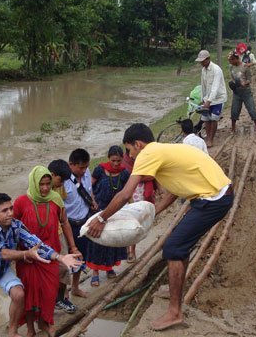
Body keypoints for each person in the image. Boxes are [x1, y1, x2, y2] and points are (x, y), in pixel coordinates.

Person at [86, 123, 234, 331]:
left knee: (173, 248)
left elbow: (125, 194)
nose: (131, 156)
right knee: (180, 245)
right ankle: (176, 294)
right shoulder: (164, 150)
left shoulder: (148, 154)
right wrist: (153, 212)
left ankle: (175, 312)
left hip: (212, 199)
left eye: (129, 150)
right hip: (218, 194)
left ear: (138, 145)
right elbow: (174, 189)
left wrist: (101, 219)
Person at [0, 193, 82, 337]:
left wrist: (60, 257)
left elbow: (36, 243)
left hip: (2, 269)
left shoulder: (16, 225)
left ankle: (12, 331)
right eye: (4, 211)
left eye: (11, 208)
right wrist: (25, 254)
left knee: (19, 294)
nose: (10, 213)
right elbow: (0, 253)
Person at [13, 166, 78, 336]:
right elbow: (13, 229)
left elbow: (65, 223)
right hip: (28, 257)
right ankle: (29, 328)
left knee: (49, 293)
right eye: (41, 184)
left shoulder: (56, 199)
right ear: (34, 183)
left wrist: (73, 246)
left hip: (50, 254)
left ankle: (45, 322)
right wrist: (16, 254)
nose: (45, 188)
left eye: (48, 184)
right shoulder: (21, 202)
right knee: (29, 293)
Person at [87, 146, 130, 286]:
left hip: (115, 212)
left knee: (112, 240)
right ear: (108, 158)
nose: (116, 164)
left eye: (118, 161)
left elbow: (127, 194)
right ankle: (95, 272)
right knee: (97, 240)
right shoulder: (100, 169)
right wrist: (92, 202)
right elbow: (89, 187)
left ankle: (109, 268)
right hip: (99, 210)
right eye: (113, 160)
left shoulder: (124, 174)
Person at [63, 148, 98, 298]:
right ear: (71, 164)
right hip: (67, 225)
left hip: (83, 223)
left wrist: (92, 201)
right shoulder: (62, 180)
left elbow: (89, 190)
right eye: (81, 167)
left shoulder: (86, 173)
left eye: (86, 167)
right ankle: (64, 293)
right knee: (65, 260)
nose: (84, 170)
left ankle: (75, 287)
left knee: (80, 256)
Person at [48, 159, 80, 314]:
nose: (62, 184)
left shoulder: (59, 191)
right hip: (42, 238)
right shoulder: (35, 194)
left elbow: (64, 219)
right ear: (53, 175)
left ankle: (59, 299)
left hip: (58, 233)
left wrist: (72, 245)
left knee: (64, 267)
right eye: (60, 180)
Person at [122, 148, 157, 263]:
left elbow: (152, 174)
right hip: (127, 193)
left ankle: (132, 250)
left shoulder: (145, 160)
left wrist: (138, 177)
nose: (132, 156)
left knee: (136, 222)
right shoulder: (125, 162)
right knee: (126, 222)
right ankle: (127, 249)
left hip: (140, 193)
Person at [195, 49, 227, 148]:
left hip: (218, 98)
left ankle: (211, 139)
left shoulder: (216, 69)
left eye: (203, 60)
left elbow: (215, 87)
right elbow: (203, 85)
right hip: (207, 98)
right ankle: (208, 136)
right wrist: (203, 98)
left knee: (214, 119)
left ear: (208, 59)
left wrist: (209, 101)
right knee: (206, 119)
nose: (201, 63)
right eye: (200, 61)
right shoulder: (203, 70)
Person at [227, 50, 256, 133]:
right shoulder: (231, 67)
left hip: (246, 91)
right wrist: (233, 84)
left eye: (231, 60)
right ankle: (233, 128)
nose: (230, 62)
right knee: (234, 111)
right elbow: (232, 77)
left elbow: (249, 79)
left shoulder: (245, 66)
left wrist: (244, 83)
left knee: (251, 109)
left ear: (236, 58)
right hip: (236, 92)